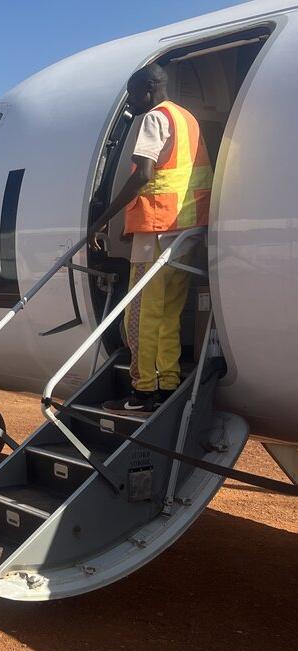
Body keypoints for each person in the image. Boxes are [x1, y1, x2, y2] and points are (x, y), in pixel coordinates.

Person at [87, 64, 212, 414]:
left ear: (150, 87)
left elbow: (143, 174)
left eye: (132, 94)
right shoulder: (187, 119)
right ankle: (167, 383)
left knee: (139, 316)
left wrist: (102, 221)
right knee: (169, 314)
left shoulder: (154, 118)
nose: (130, 103)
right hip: (185, 231)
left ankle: (142, 392)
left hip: (156, 231)